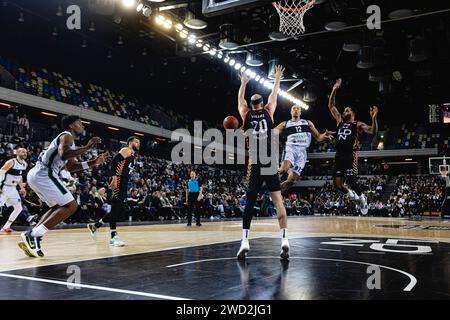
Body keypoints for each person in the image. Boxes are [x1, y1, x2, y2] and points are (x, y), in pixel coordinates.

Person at [19, 115, 110, 257]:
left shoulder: (70, 142)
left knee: (57, 207)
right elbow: (63, 155)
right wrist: (87, 147)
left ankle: (34, 236)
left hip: (38, 175)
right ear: (72, 126)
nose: (83, 126)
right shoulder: (67, 136)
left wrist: (94, 162)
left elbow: (70, 167)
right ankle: (33, 235)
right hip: (45, 174)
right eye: (80, 123)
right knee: (72, 206)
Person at [236, 65, 290, 260]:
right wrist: (277, 79)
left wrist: (243, 83)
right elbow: (275, 94)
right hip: (270, 159)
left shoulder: (245, 114)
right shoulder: (268, 111)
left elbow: (240, 100)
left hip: (255, 161)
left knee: (250, 202)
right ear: (262, 103)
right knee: (278, 201)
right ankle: (284, 239)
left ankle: (244, 242)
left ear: (251, 105)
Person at [328, 78, 379, 215]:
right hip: (338, 155)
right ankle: (354, 196)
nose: (344, 112)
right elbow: (331, 106)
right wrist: (334, 89)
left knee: (352, 180)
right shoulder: (339, 121)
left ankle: (362, 199)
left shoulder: (357, 124)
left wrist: (373, 118)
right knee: (337, 185)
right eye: (344, 111)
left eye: (346, 111)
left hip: (350, 155)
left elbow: (373, 131)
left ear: (352, 113)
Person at [87, 136, 140, 246]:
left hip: (124, 182)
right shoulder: (126, 150)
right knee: (116, 208)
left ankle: (95, 226)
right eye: (136, 141)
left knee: (118, 210)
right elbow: (114, 162)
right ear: (130, 142)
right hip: (118, 180)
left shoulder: (133, 155)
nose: (138, 143)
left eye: (139, 142)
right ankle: (113, 236)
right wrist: (114, 178)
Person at [276, 105, 334, 195]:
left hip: (302, 152)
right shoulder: (285, 123)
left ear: (300, 112)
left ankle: (275, 194)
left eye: (298, 108)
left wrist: (324, 136)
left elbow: (318, 137)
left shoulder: (307, 123)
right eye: (293, 108)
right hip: (291, 148)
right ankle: (269, 179)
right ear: (290, 112)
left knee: (292, 181)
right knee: (283, 169)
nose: (296, 109)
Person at [0, 147, 28, 233]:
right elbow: (1, 172)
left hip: (13, 189)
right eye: (22, 152)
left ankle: (6, 227)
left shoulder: (25, 164)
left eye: (26, 152)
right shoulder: (11, 162)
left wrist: (22, 188)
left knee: (18, 208)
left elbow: (19, 177)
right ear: (17, 153)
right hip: (5, 187)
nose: (25, 153)